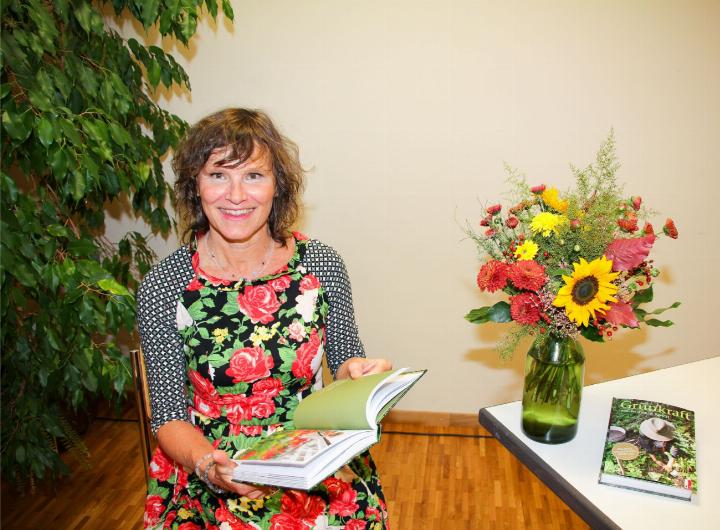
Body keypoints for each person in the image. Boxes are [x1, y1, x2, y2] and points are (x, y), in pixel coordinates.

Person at [137, 108, 392, 529]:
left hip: (311, 460)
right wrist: (208, 465)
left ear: (278, 186)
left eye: (253, 176)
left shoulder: (321, 265)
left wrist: (361, 375)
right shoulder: (165, 284)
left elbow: (346, 360)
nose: (236, 195)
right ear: (195, 186)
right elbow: (168, 418)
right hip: (211, 468)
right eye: (218, 175)